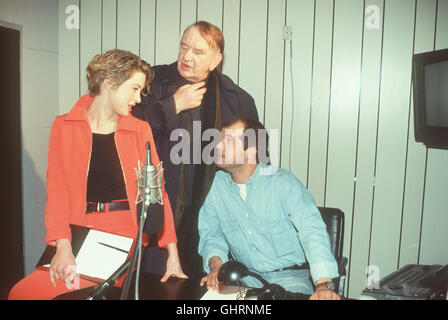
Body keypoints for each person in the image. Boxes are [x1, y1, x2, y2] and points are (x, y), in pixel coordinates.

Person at [9, 49, 186, 300]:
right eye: (134, 89)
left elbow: (157, 195)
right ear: (109, 83)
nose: (138, 98)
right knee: (25, 292)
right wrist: (63, 245)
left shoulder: (140, 130)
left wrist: (173, 254)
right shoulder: (64, 126)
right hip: (76, 232)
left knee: (88, 296)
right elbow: (57, 191)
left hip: (123, 234)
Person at [132, 21, 259, 278]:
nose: (187, 56)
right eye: (184, 47)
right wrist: (172, 106)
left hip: (211, 217)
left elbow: (258, 161)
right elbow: (126, 130)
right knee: (154, 286)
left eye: (198, 52)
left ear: (216, 59)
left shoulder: (237, 99)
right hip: (157, 213)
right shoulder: (151, 84)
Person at [198, 117, 341, 300]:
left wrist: (323, 284)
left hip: (290, 280)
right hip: (245, 281)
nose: (217, 147)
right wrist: (217, 265)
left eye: (228, 141)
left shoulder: (283, 183)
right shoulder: (215, 186)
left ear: (251, 151)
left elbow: (312, 231)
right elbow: (212, 234)